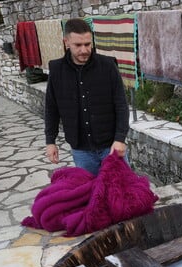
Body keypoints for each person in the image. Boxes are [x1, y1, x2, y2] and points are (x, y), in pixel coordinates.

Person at [44, 18, 129, 176]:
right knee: (90, 193)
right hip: (81, 151)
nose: (84, 50)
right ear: (66, 42)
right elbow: (51, 108)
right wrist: (50, 141)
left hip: (111, 147)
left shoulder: (108, 66)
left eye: (88, 44)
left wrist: (120, 139)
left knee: (122, 193)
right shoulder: (56, 70)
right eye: (78, 45)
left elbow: (121, 105)